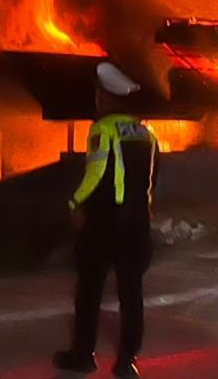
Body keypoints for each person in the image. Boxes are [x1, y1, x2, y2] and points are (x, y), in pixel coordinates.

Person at [54, 62, 160, 378]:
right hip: (138, 223)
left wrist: (75, 201)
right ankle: (127, 361)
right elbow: (152, 180)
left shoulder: (102, 129)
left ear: (106, 98)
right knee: (132, 293)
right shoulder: (146, 133)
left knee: (89, 290)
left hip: (105, 223)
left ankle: (83, 356)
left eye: (99, 95)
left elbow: (96, 173)